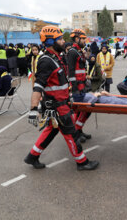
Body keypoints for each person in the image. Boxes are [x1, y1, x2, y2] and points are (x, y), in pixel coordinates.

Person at [25, 26, 99, 170]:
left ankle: (32, 156)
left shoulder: (57, 57)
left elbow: (62, 81)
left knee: (51, 131)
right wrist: (33, 109)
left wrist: (70, 95)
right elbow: (38, 86)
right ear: (50, 42)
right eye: (59, 39)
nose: (63, 41)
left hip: (61, 104)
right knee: (71, 134)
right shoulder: (46, 61)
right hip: (57, 107)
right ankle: (82, 162)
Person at [68, 28, 97, 143]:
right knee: (82, 110)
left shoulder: (79, 51)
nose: (85, 41)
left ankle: (79, 130)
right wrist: (74, 88)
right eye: (83, 39)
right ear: (77, 39)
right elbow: (70, 71)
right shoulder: (72, 52)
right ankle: (76, 132)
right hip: (77, 88)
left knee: (84, 110)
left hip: (82, 87)